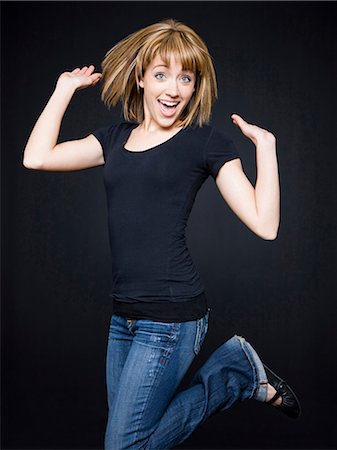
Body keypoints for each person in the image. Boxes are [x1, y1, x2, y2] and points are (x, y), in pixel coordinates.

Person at [23, 18, 301, 450]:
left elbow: (265, 224)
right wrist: (62, 90)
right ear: (141, 78)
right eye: (161, 75)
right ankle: (238, 368)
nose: (173, 89)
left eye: (185, 78)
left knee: (123, 446)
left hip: (172, 318)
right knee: (131, 442)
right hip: (124, 318)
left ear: (195, 87)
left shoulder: (205, 143)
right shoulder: (114, 139)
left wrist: (266, 149)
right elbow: (37, 158)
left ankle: (236, 377)